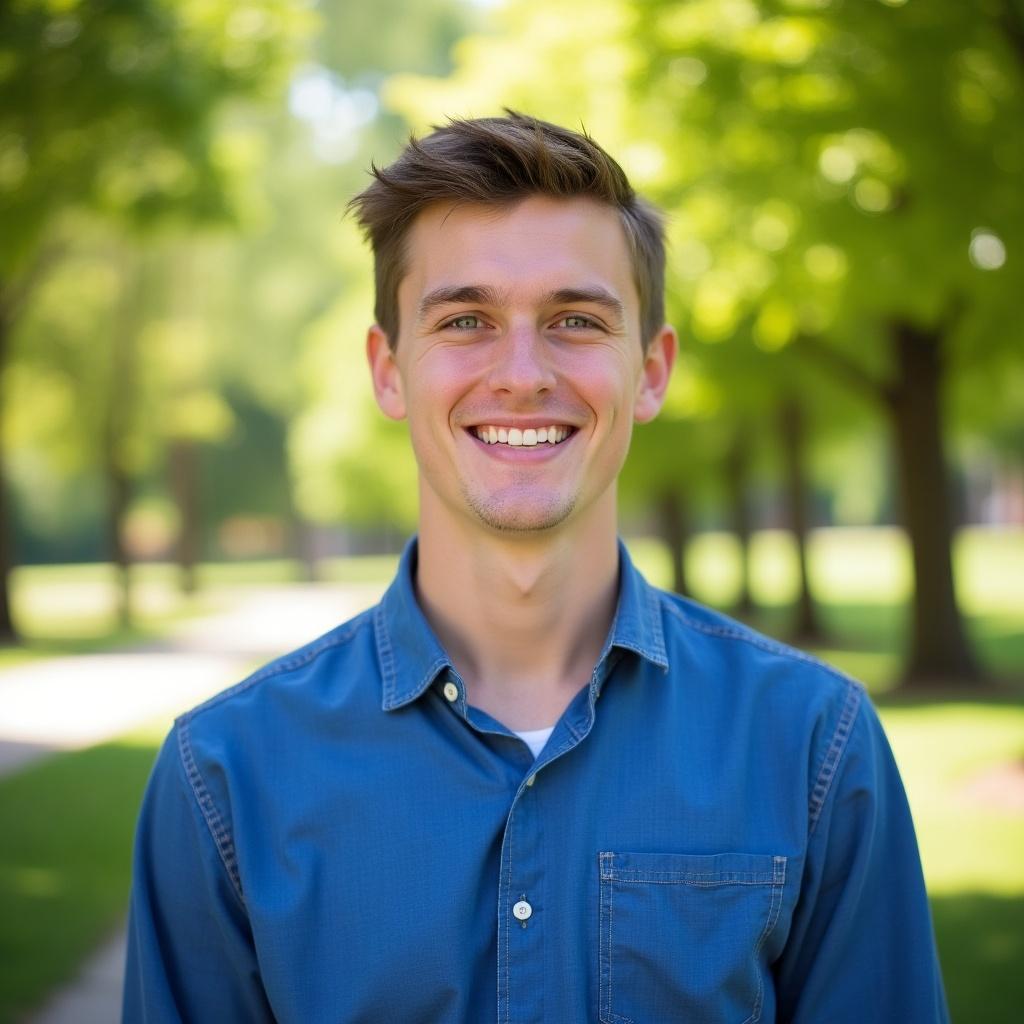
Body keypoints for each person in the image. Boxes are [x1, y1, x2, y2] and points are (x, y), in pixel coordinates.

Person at [123, 112, 949, 1023]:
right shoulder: (227, 775)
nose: (522, 373)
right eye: (467, 320)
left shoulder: (814, 746)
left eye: (576, 320)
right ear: (389, 370)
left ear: (651, 371)